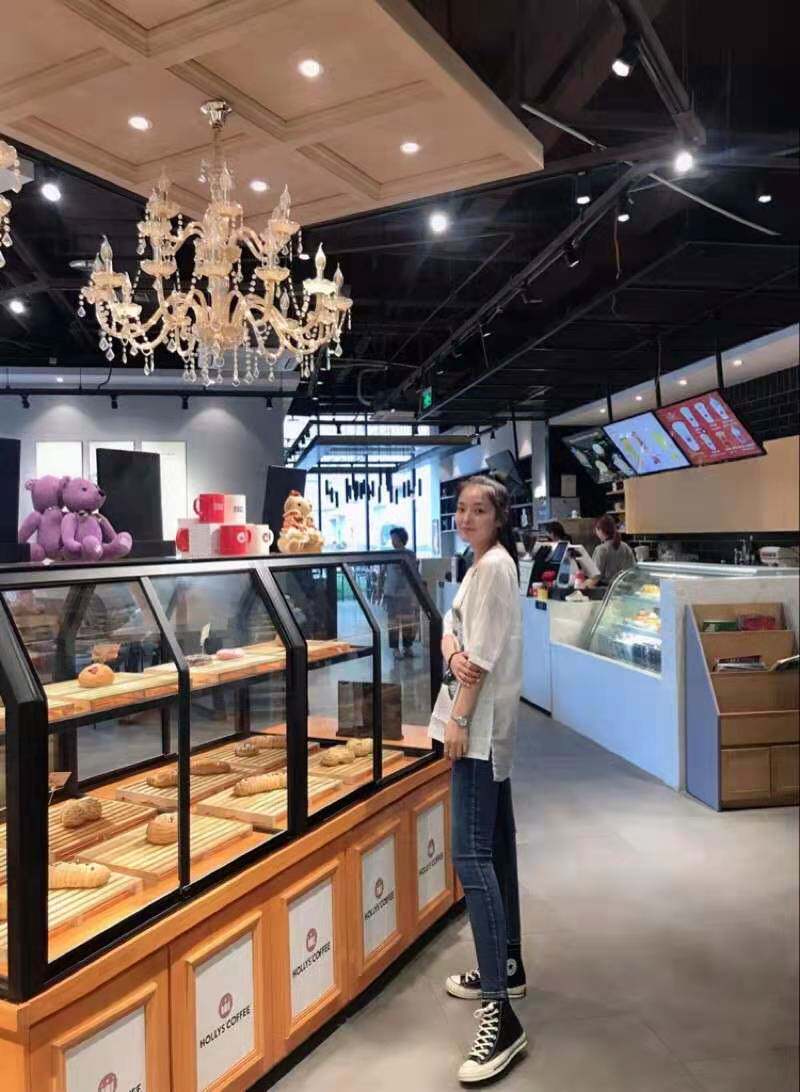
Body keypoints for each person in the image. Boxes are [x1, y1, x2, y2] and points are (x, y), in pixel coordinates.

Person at [429, 475, 527, 1083]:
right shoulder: (483, 565)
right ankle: (507, 966)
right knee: (496, 847)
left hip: (479, 728)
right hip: (486, 726)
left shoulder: (492, 568)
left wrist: (459, 721)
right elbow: (453, 627)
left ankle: (501, 1014)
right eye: (461, 509)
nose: (467, 517)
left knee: (472, 856)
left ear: (499, 516)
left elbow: (482, 657)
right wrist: (448, 645)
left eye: (479, 510)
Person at [383, 526, 418, 660]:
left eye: (394, 538)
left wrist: (415, 594)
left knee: (407, 621)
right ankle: (395, 648)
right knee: (393, 623)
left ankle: (407, 646)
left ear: (401, 539)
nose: (393, 541)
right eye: (392, 539)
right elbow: (383, 572)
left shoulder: (410, 555)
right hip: (391, 593)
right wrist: (380, 590)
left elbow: (414, 573)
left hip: (406, 593)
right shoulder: (388, 555)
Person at [589, 514, 635, 586]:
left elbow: (595, 577)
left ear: (600, 530)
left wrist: (584, 585)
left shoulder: (601, 549)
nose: (596, 533)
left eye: (596, 530)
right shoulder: (625, 546)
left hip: (606, 589)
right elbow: (633, 570)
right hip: (624, 587)